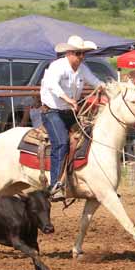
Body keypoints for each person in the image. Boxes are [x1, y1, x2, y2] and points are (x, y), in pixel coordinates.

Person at [40, 35, 103, 199]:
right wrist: (68, 100)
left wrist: (111, 89)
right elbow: (52, 85)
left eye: (83, 54)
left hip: (70, 113)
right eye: (78, 53)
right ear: (68, 53)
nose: (81, 57)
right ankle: (55, 185)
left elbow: (96, 82)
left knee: (88, 138)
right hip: (52, 111)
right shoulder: (57, 67)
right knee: (61, 142)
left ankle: (82, 180)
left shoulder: (82, 68)